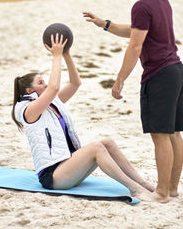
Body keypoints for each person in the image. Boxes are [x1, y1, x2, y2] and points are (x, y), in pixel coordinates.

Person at [83, 0, 183, 203]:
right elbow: (136, 30)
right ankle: (171, 189)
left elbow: (135, 45)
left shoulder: (141, 5)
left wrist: (119, 80)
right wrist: (105, 24)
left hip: (160, 74)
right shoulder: (162, 1)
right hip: (177, 71)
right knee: (174, 134)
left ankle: (161, 193)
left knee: (161, 134)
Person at [12, 33, 155, 201]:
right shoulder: (26, 109)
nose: (46, 84)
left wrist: (66, 55)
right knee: (96, 147)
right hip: (53, 177)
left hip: (69, 167)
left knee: (107, 143)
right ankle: (134, 188)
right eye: (40, 82)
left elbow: (75, 83)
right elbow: (54, 87)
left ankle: (142, 183)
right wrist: (56, 56)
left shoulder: (51, 104)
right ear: (29, 91)